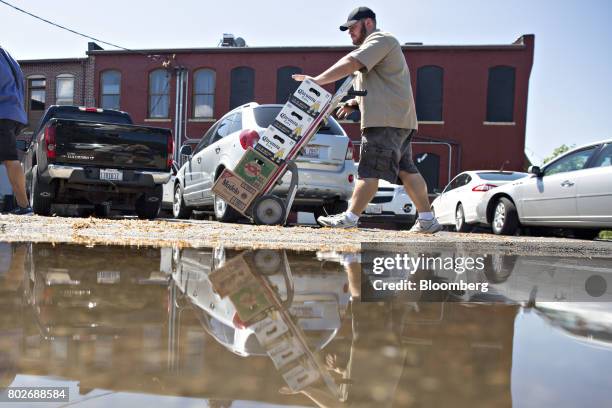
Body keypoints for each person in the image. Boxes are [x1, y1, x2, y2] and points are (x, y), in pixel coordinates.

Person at [293, 7, 441, 233]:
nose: (349, 32)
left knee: (368, 171)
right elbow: (381, 85)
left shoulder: (381, 40)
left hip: (384, 122)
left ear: (368, 23)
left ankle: (350, 218)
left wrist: (318, 80)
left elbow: (351, 62)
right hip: (399, 120)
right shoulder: (376, 49)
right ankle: (427, 219)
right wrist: (354, 104)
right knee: (407, 169)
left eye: (353, 27)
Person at [0, 45, 32, 215]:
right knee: (9, 159)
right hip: (14, 113)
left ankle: (24, 206)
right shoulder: (7, 55)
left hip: (3, 113)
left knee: (10, 159)